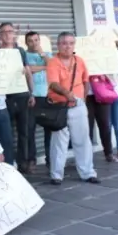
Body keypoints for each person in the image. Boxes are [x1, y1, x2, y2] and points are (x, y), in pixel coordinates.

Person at [47, 32, 99, 185]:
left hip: (78, 105)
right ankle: (56, 175)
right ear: (58, 45)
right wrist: (66, 94)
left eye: (70, 43)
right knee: (59, 142)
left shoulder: (80, 61)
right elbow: (53, 84)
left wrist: (83, 98)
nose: (67, 46)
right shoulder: (53, 62)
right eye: (64, 43)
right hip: (60, 107)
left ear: (74, 45)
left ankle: (88, 173)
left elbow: (85, 80)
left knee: (83, 140)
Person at [0, 23, 35, 173]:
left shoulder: (20, 51)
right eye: (4, 32)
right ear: (0, 35)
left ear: (14, 34)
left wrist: (31, 93)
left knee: (24, 131)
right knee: (6, 133)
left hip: (22, 95)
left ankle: (24, 162)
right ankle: (8, 163)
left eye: (10, 31)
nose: (7, 34)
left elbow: (27, 71)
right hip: (5, 97)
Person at [24, 31, 52, 169]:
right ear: (26, 43)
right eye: (31, 41)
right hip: (32, 96)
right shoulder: (24, 55)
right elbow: (28, 69)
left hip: (48, 96)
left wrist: (42, 53)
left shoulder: (46, 54)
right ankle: (31, 160)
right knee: (30, 129)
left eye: (36, 40)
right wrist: (44, 67)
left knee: (50, 129)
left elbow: (52, 67)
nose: (34, 43)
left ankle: (50, 158)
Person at [86, 77, 118, 163]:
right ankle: (87, 157)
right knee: (87, 126)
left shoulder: (103, 64)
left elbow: (113, 79)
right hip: (86, 95)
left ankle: (109, 153)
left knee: (105, 124)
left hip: (102, 93)